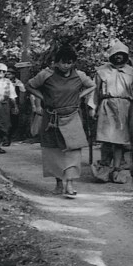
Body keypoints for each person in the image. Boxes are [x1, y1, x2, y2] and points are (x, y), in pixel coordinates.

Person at [27, 44, 95, 199]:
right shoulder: (46, 75)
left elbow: (92, 85)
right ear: (56, 62)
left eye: (70, 62)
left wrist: (80, 96)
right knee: (54, 151)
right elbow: (30, 86)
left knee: (73, 151)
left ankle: (70, 184)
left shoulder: (79, 75)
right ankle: (58, 183)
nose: (66, 65)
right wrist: (43, 98)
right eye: (63, 62)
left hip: (72, 118)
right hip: (52, 118)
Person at [89, 40, 133, 183]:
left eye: (121, 54)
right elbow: (94, 90)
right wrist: (92, 107)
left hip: (125, 107)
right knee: (107, 139)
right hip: (107, 106)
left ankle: (118, 169)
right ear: (111, 55)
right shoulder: (102, 71)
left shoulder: (131, 71)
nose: (118, 57)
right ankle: (105, 168)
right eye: (116, 54)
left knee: (120, 140)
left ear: (125, 56)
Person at [5, 66, 26, 146]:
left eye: (9, 74)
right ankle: (5, 138)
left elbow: (23, 90)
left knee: (14, 122)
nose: (8, 76)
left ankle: (9, 137)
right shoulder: (3, 82)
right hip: (4, 104)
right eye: (7, 74)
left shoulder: (17, 82)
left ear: (13, 75)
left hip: (13, 104)